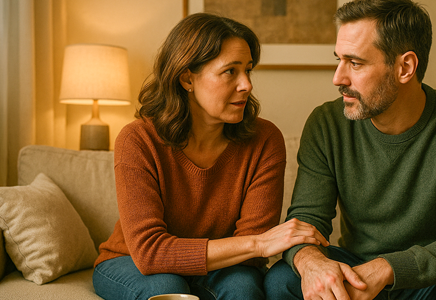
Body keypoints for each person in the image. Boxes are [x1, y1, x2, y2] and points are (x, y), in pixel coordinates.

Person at [264, 0, 436, 299]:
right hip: (355, 270)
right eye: (339, 60)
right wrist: (311, 263)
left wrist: (386, 268)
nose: (338, 78)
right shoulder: (327, 123)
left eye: (355, 63)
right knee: (282, 279)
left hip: (430, 278)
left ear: (405, 67)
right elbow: (305, 222)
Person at [92, 13, 328, 300]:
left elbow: (251, 254)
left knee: (244, 289)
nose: (247, 85)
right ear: (187, 78)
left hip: (225, 267)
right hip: (128, 261)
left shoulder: (265, 140)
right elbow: (150, 253)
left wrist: (252, 246)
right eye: (230, 71)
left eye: (248, 71)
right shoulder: (137, 139)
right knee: (168, 290)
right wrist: (258, 244)